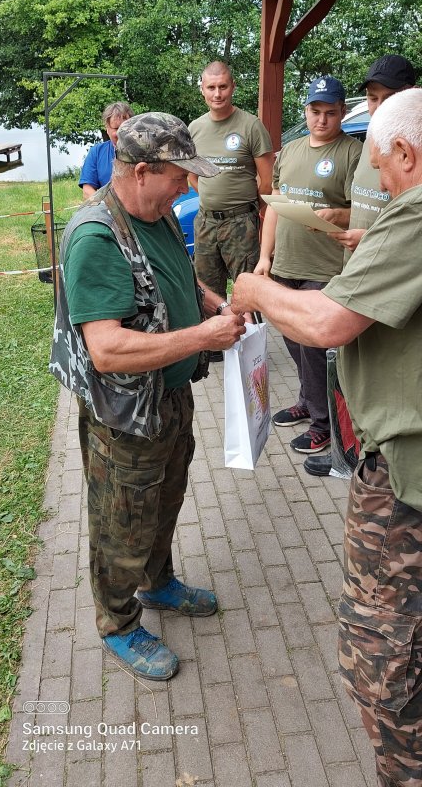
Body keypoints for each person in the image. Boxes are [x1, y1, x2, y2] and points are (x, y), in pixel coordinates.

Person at [231, 87, 422, 787]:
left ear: (403, 151)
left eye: (382, 165)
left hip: (405, 477)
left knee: (380, 650)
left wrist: (254, 292)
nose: (381, 179)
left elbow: (326, 325)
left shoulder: (418, 213)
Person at [50, 112, 246, 682]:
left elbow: (179, 274)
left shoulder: (153, 212)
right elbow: (107, 349)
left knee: (166, 499)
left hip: (170, 396)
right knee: (122, 522)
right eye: (178, 176)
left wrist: (212, 302)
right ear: (140, 171)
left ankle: (157, 582)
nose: (186, 187)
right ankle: (117, 621)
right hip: (126, 417)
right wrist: (204, 337)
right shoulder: (96, 237)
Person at [304, 53, 416, 478]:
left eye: (388, 98)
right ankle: (347, 452)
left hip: (388, 290)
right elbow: (369, 209)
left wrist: (367, 239)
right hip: (356, 273)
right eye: (371, 98)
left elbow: (409, 234)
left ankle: (371, 460)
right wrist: (342, 218)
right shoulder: (372, 146)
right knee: (351, 372)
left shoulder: (408, 151)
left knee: (382, 381)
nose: (377, 108)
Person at [255, 75, 362, 454]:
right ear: (306, 111)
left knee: (316, 350)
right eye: (315, 111)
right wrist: (265, 258)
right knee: (295, 343)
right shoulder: (291, 150)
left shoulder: (353, 152)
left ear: (342, 112)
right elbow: (274, 208)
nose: (321, 120)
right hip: (286, 264)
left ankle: (325, 425)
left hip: (325, 268)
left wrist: (340, 213)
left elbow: (363, 213)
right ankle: (309, 401)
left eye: (330, 113)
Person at [188, 61, 274, 304]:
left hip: (241, 224)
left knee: (248, 291)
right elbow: (192, 175)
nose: (217, 94)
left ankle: (251, 339)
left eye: (223, 86)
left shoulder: (251, 126)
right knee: (207, 292)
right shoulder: (194, 128)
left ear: (233, 87)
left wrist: (244, 209)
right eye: (212, 87)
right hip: (205, 222)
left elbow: (268, 181)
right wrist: (211, 196)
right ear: (202, 89)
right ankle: (215, 341)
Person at [78, 101, 134, 198]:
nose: (121, 132)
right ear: (107, 128)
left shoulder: (145, 151)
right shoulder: (96, 152)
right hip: (105, 209)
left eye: (125, 128)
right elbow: (87, 190)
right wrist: (107, 207)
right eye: (116, 128)